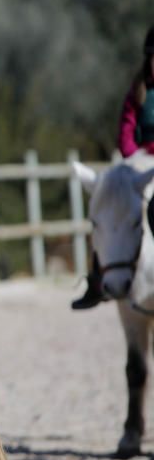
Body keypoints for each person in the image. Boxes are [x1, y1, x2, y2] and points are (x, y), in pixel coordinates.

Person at [73, 25, 154, 310]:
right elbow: (126, 128)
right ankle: (97, 278)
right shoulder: (138, 92)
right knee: (105, 211)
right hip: (136, 164)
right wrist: (134, 156)